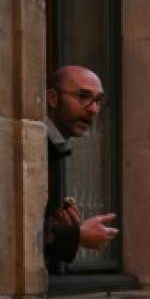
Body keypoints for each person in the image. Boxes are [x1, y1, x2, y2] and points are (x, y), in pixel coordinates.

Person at [44, 66, 119, 273]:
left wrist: (59, 223)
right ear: (52, 98)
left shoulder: (56, 145)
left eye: (97, 101)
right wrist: (78, 235)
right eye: (83, 97)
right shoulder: (35, 146)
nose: (93, 109)